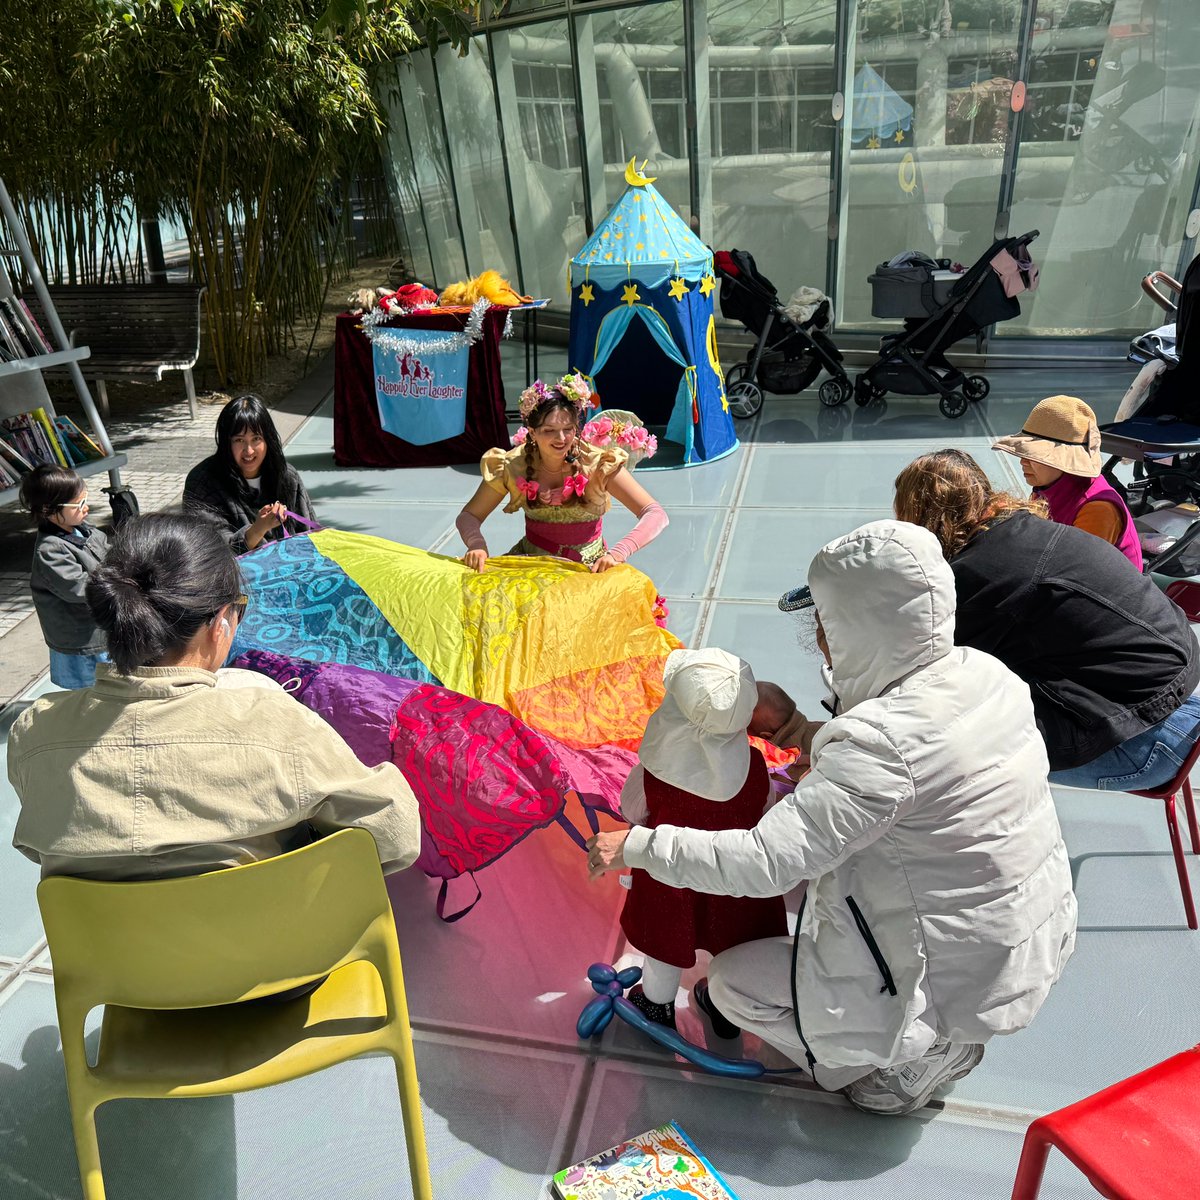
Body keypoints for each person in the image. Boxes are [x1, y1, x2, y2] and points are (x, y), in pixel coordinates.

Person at [588, 520, 1076, 1116]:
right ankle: (927, 1036)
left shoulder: (879, 747)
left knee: (732, 986)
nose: (818, 641)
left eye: (823, 623)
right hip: (1011, 947)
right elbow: (918, 764)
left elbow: (763, 863)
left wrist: (637, 845)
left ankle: (884, 1070)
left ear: (858, 627)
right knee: (814, 894)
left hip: (935, 976)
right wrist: (797, 731)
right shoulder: (986, 674)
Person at [8, 513, 421, 882]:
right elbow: (396, 836)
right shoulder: (272, 719)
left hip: (101, 946)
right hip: (271, 944)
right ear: (221, 620)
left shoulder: (34, 732)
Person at [895, 449, 1200, 790]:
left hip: (1143, 743)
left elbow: (930, 670)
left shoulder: (979, 574)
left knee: (943, 755)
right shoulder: (1024, 527)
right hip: (1182, 699)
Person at [617, 650, 792, 1030]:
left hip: (669, 881)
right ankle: (725, 1008)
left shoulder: (653, 773)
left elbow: (632, 810)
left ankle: (656, 1004)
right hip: (737, 883)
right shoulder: (755, 768)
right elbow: (766, 814)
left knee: (664, 942)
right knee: (738, 945)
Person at [456, 373, 668, 571]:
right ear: (532, 432)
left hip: (587, 572)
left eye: (568, 429)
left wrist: (618, 553)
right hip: (531, 569)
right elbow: (469, 516)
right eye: (549, 431)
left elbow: (655, 514)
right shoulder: (512, 464)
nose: (561, 438)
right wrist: (477, 545)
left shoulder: (598, 463)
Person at [992, 394, 1142, 569]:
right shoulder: (1046, 485)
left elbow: (1074, 571)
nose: (1023, 461)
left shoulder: (1097, 509)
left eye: (1033, 455)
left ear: (1062, 460)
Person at [183, 394, 317, 553]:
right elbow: (212, 553)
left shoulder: (287, 476)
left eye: (256, 439)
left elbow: (310, 534)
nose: (249, 450)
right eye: (239, 440)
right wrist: (258, 529)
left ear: (268, 440)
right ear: (226, 443)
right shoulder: (202, 482)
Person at [19, 464, 110, 689]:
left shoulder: (83, 529)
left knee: (108, 684)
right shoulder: (50, 550)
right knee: (86, 690)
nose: (86, 507)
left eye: (85, 500)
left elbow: (109, 553)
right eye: (79, 504)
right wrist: (118, 581)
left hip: (99, 628)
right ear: (48, 509)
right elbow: (79, 588)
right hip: (78, 639)